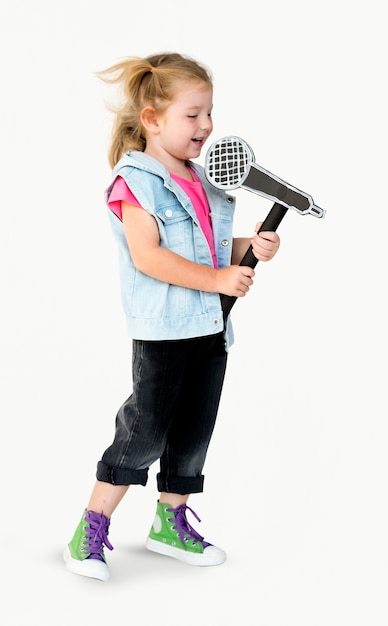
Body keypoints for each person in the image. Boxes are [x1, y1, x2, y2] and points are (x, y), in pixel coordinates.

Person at [63, 52, 281, 582]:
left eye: (210, 113)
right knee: (146, 430)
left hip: (211, 326)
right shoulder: (135, 182)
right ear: (153, 119)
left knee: (193, 430)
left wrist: (249, 246)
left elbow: (207, 250)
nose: (206, 125)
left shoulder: (200, 179)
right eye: (193, 114)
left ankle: (169, 523)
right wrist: (218, 280)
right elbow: (150, 257)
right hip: (164, 330)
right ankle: (89, 527)